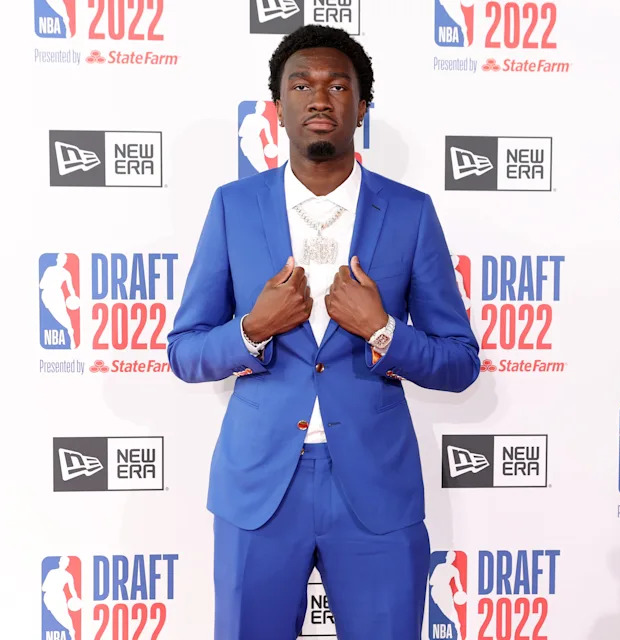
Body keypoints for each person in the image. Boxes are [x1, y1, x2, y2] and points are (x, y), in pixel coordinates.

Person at [168, 25, 480, 640]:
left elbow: (459, 361)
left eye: (339, 85)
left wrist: (385, 331)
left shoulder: (411, 212)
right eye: (302, 84)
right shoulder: (233, 206)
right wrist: (254, 329)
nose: (320, 98)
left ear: (361, 108)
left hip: (375, 489)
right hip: (259, 489)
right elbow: (185, 352)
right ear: (277, 107)